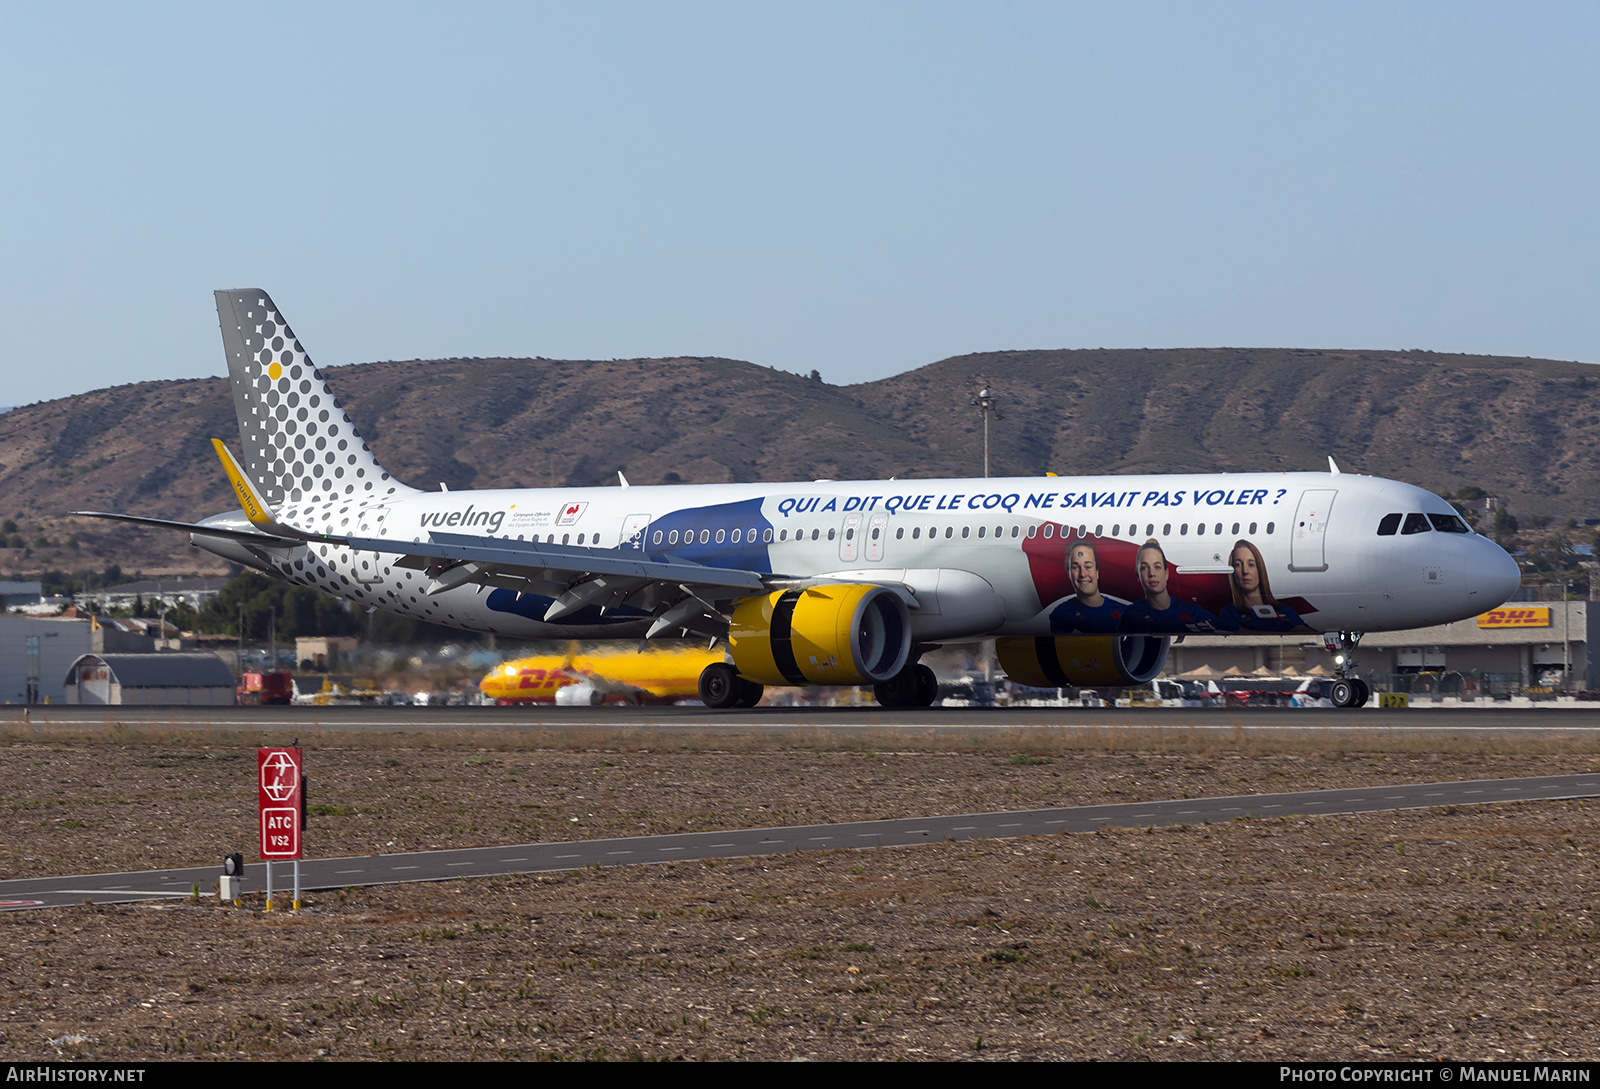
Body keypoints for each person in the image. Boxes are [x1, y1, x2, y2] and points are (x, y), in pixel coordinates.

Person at [1120, 539, 1219, 633]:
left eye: (1157, 567)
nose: (1152, 573)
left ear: (1166, 573)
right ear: (1138, 575)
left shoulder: (1191, 611)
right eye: (1144, 568)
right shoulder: (1132, 614)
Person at [1218, 539, 1307, 632]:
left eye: (1251, 565)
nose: (1245, 571)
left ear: (1260, 569)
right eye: (1238, 564)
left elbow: (1308, 632)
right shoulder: (1229, 612)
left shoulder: (1284, 610)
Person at [1049, 541, 1127, 633]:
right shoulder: (1061, 615)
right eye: (1075, 567)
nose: (1083, 574)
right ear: (1069, 574)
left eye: (1088, 567)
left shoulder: (1124, 612)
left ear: (1097, 572)